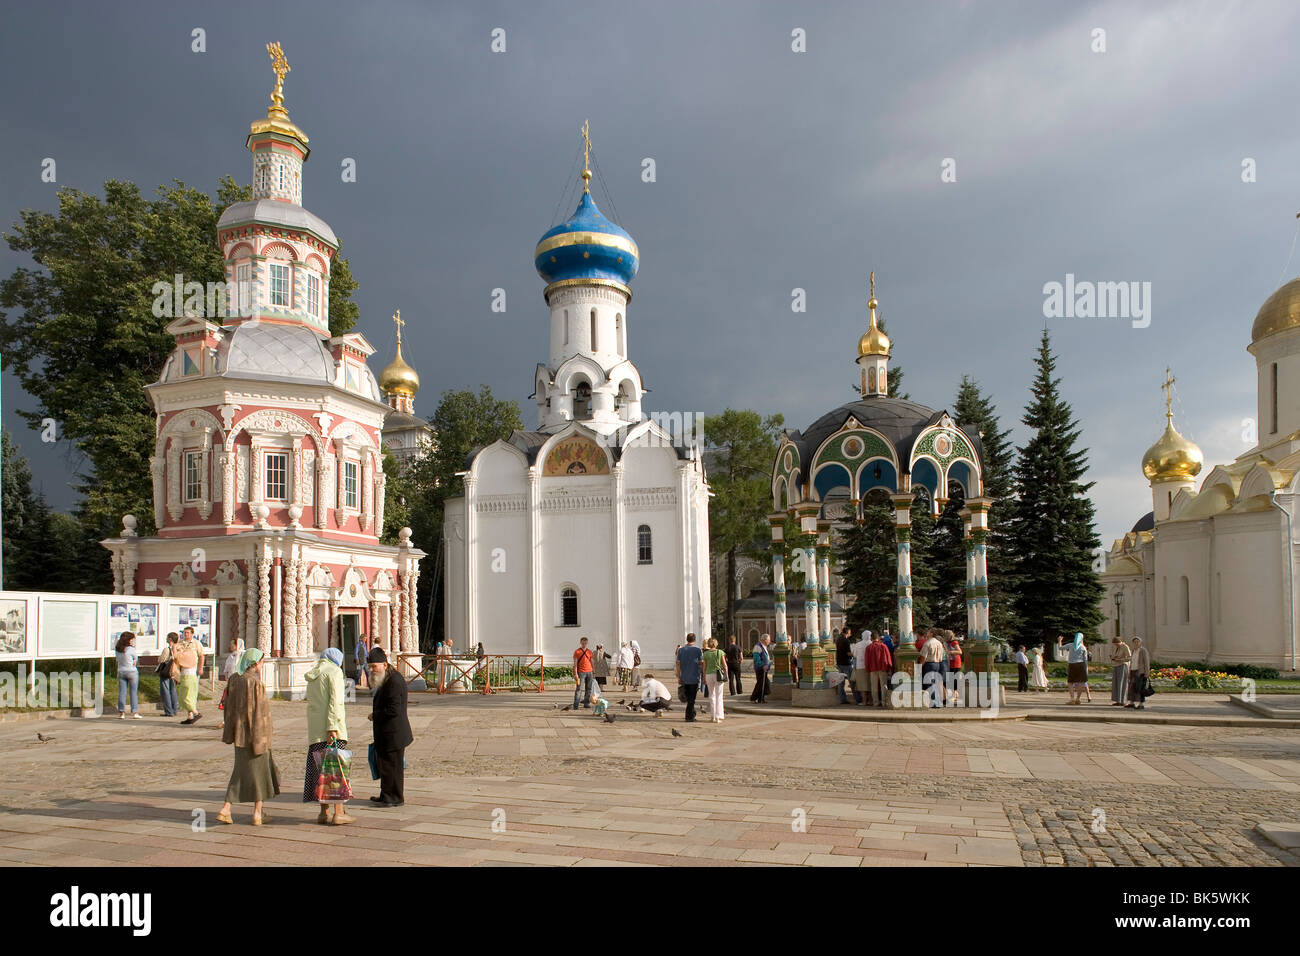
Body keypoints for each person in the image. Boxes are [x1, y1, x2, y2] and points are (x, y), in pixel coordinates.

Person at [217, 648, 278, 825]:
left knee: (240, 771)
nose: (262, 665)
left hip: (239, 734)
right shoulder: (255, 683)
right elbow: (260, 713)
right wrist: (262, 738)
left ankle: (227, 808)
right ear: (255, 663)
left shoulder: (234, 680)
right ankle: (257, 813)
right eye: (261, 661)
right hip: (256, 736)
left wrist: (230, 728)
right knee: (260, 774)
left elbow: (227, 707)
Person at [305, 648, 353, 825]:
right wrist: (333, 726)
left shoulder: (315, 673)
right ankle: (339, 812)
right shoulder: (334, 672)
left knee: (320, 771)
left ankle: (323, 812)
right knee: (335, 771)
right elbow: (336, 701)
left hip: (315, 731)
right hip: (330, 730)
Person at [366, 647, 412, 807]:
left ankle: (395, 797)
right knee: (385, 765)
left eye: (374, 666)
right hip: (387, 732)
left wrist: (375, 715)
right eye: (370, 666)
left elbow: (394, 709)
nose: (371, 670)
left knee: (393, 766)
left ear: (385, 664)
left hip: (394, 732)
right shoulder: (387, 678)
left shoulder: (394, 681)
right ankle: (386, 794)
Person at [174, 626, 204, 724]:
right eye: (184, 632)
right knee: (183, 693)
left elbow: (201, 656)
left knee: (188, 694)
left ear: (192, 634)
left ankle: (195, 713)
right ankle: (190, 715)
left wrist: (200, 668)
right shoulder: (181, 643)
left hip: (191, 670)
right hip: (182, 670)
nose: (186, 634)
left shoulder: (196, 643)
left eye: (187, 633)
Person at [675, 633, 703, 722]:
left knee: (689, 698)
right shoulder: (698, 650)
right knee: (692, 698)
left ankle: (691, 713)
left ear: (687, 639)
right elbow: (701, 663)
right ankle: (689, 716)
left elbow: (678, 664)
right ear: (694, 640)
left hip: (685, 676)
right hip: (694, 676)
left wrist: (679, 676)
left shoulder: (681, 650)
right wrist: (703, 673)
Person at [114, 632, 141, 719]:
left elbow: (117, 659)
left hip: (121, 671)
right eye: (132, 639)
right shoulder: (130, 649)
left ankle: (122, 712)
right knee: (133, 692)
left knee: (122, 692)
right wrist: (134, 661)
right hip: (132, 672)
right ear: (129, 640)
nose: (133, 641)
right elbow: (135, 658)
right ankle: (135, 712)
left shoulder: (118, 649)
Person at [918, 629, 946, 707]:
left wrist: (920, 666)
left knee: (929, 683)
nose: (927, 633)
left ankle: (933, 702)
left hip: (929, 664)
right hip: (937, 663)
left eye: (928, 632)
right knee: (935, 683)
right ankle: (938, 701)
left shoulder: (928, 643)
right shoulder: (939, 643)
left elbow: (923, 656)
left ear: (931, 633)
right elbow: (941, 656)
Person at [702, 637, 728, 723]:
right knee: (719, 695)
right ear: (716, 644)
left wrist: (704, 676)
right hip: (718, 675)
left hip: (709, 674)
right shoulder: (720, 652)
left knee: (711, 695)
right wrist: (726, 674)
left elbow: (704, 667)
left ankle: (712, 716)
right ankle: (718, 716)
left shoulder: (705, 654)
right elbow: (724, 665)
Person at [865, 631, 893, 708]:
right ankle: (884, 702)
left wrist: (868, 669)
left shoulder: (868, 648)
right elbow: (888, 658)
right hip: (883, 669)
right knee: (883, 686)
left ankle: (876, 702)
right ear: (878, 638)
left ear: (871, 638)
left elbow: (867, 660)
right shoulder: (883, 646)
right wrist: (889, 668)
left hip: (873, 669)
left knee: (874, 687)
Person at [158, 632, 179, 717]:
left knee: (165, 691)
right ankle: (174, 710)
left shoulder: (167, 649)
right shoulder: (178, 648)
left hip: (166, 671)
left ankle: (168, 711)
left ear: (170, 639)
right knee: (173, 691)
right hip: (175, 672)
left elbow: (161, 660)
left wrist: (159, 658)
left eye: (167, 637)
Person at [1126, 637, 1150, 710]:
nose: (1136, 643)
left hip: (1140, 672)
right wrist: (1129, 671)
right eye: (1135, 642)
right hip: (1133, 670)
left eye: (1137, 641)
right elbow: (1131, 661)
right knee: (1132, 687)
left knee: (1140, 688)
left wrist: (1147, 673)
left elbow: (1146, 662)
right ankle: (1131, 702)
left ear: (1140, 642)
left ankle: (1141, 703)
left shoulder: (1143, 651)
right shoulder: (1133, 651)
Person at [1066, 633, 1091, 704]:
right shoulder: (1083, 647)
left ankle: (1072, 698)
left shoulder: (1071, 645)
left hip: (1072, 665)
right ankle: (1078, 698)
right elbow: (1085, 659)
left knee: (1071, 682)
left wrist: (1059, 642)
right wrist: (1086, 668)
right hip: (1081, 665)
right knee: (1082, 683)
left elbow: (1060, 648)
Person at [572, 637, 596, 709]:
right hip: (581, 672)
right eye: (583, 643)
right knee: (579, 689)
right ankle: (576, 704)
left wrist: (594, 671)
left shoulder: (589, 652)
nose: (584, 644)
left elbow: (592, 662)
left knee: (588, 689)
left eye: (585, 643)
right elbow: (575, 664)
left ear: (587, 643)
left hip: (589, 672)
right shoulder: (577, 652)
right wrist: (575, 674)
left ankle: (586, 703)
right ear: (580, 643)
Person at [1109, 635, 1132, 706]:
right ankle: (1118, 700)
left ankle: (1123, 700)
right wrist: (1113, 657)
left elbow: (1129, 657)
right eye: (1114, 644)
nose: (1116, 645)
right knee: (1116, 683)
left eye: (1116, 644)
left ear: (1120, 642)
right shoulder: (1117, 648)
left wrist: (1119, 660)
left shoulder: (1125, 647)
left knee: (1122, 683)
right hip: (1116, 665)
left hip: (1123, 666)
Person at [834, 626, 854, 704]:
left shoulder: (838, 640)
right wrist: (854, 655)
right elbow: (848, 653)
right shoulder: (846, 641)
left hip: (839, 662)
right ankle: (858, 698)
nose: (850, 633)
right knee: (851, 681)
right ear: (847, 632)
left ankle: (842, 699)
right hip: (846, 663)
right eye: (850, 632)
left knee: (841, 683)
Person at [851, 629, 871, 705]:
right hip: (869, 667)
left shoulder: (858, 644)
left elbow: (854, 655)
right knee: (869, 684)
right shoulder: (871, 643)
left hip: (860, 666)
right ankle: (870, 701)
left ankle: (864, 701)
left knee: (862, 685)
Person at [750, 634, 771, 703]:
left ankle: (761, 698)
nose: (769, 641)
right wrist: (763, 665)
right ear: (765, 640)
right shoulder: (758, 646)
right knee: (761, 683)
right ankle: (754, 698)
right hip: (760, 669)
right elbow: (756, 658)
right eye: (768, 640)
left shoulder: (763, 647)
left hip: (764, 669)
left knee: (764, 684)